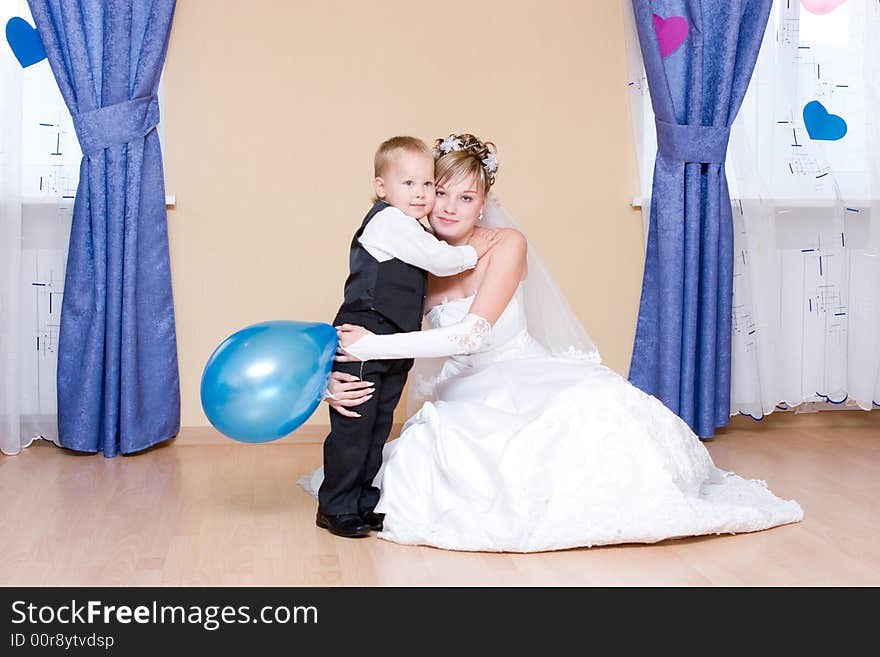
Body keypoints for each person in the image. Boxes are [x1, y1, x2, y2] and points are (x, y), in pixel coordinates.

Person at [303, 133, 803, 552]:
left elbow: (469, 333)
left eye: (468, 197)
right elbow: (366, 318)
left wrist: (371, 350)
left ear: (484, 204)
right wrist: (335, 376)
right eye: (442, 193)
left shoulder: (505, 244)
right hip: (463, 385)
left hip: (517, 368)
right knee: (430, 460)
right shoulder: (412, 255)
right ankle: (346, 500)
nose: (451, 208)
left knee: (589, 413)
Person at [316, 136, 500, 539]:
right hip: (367, 333)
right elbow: (440, 259)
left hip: (393, 340)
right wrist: (477, 251)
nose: (421, 194)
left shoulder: (409, 227)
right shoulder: (389, 222)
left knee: (378, 425)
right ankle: (335, 506)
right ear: (382, 188)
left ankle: (361, 498)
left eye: (427, 185)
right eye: (408, 184)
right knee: (354, 428)